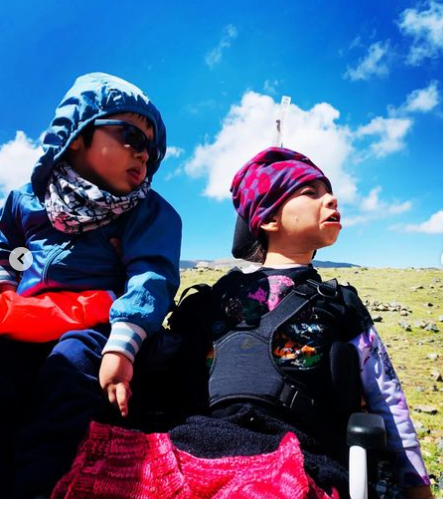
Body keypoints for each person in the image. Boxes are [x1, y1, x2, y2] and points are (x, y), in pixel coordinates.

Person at [0, 72, 182, 498]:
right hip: (28, 315)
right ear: (78, 135)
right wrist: (5, 285)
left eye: (153, 152)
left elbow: (150, 274)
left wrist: (122, 343)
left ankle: (41, 481)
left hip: (99, 323)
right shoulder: (28, 198)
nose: (145, 155)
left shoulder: (146, 211)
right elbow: (4, 242)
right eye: (133, 138)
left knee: (69, 373)